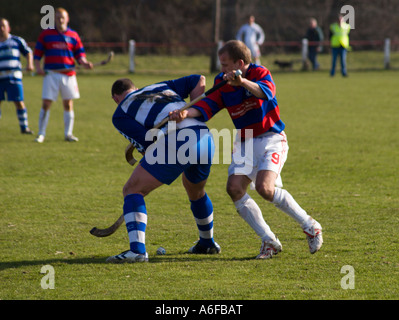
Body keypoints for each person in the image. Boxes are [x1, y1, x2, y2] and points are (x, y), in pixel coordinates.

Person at [170, 40, 323, 259]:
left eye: (225, 64)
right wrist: (185, 113)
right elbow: (207, 106)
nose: (221, 69)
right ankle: (269, 241)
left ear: (240, 63)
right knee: (234, 188)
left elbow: (265, 93)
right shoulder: (221, 82)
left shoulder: (260, 72)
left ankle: (311, 226)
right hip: (245, 140)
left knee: (264, 188)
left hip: (271, 138)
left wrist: (242, 82)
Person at [106, 75, 220, 263]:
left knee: (132, 189)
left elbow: (148, 142)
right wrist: (193, 110)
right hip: (205, 138)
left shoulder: (120, 112)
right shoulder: (159, 86)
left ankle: (137, 252)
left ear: (115, 99)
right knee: (195, 191)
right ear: (135, 88)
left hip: (179, 140)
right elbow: (198, 79)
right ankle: (207, 243)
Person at [33, 7, 93, 143]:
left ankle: (68, 134)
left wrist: (85, 63)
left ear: (67, 19)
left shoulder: (73, 35)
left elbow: (80, 55)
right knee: (46, 103)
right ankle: (41, 134)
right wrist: (38, 68)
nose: (60, 20)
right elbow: (37, 54)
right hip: (51, 74)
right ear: (54, 19)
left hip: (68, 75)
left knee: (68, 104)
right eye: (58, 17)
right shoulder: (46, 34)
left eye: (63, 17)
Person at [0, 18, 34, 134]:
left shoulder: (17, 41)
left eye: (3, 26)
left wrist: (30, 64)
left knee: (18, 101)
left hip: (14, 77)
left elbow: (28, 52)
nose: (1, 28)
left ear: (8, 28)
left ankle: (24, 127)